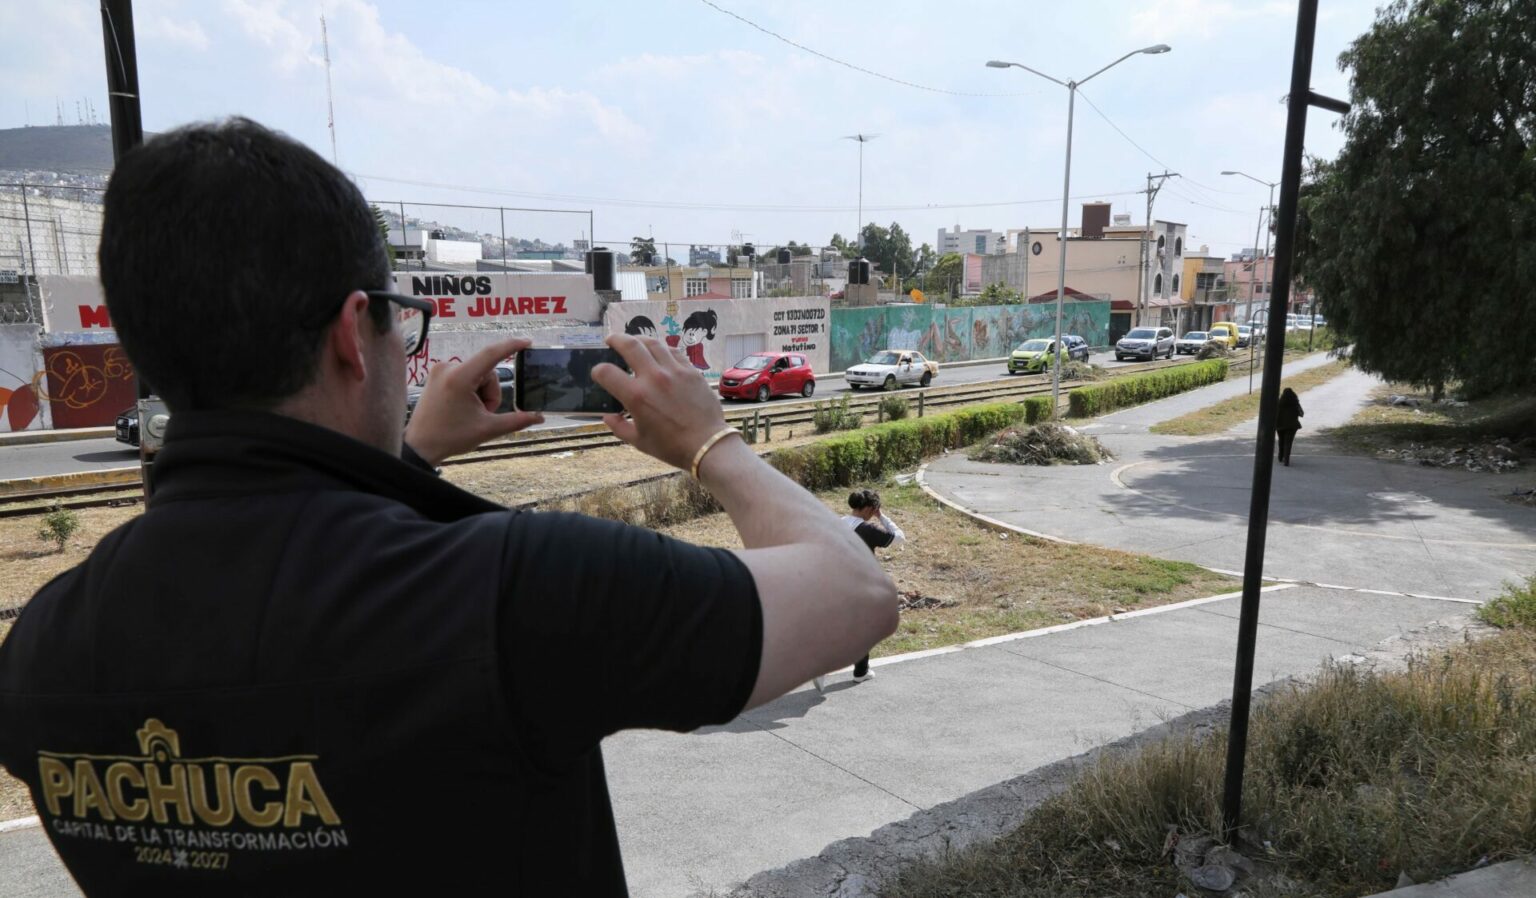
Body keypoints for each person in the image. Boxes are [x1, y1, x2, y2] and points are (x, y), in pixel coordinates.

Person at [0, 118, 896, 896]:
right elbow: (856, 593)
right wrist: (711, 442)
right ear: (356, 332)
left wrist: (406, 456)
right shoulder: (515, 589)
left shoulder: (41, 649)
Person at [813, 489, 906, 693]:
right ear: (869, 509)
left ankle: (860, 670)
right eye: (874, 510)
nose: (874, 514)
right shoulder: (867, 530)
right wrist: (883, 517)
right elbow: (899, 537)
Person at [1276, 387, 1304, 466]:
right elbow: (1301, 414)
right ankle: (1286, 459)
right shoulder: (1295, 403)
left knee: (1281, 440)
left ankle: (1280, 456)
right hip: (1292, 426)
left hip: (1280, 425)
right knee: (1288, 442)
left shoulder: (1279, 403)